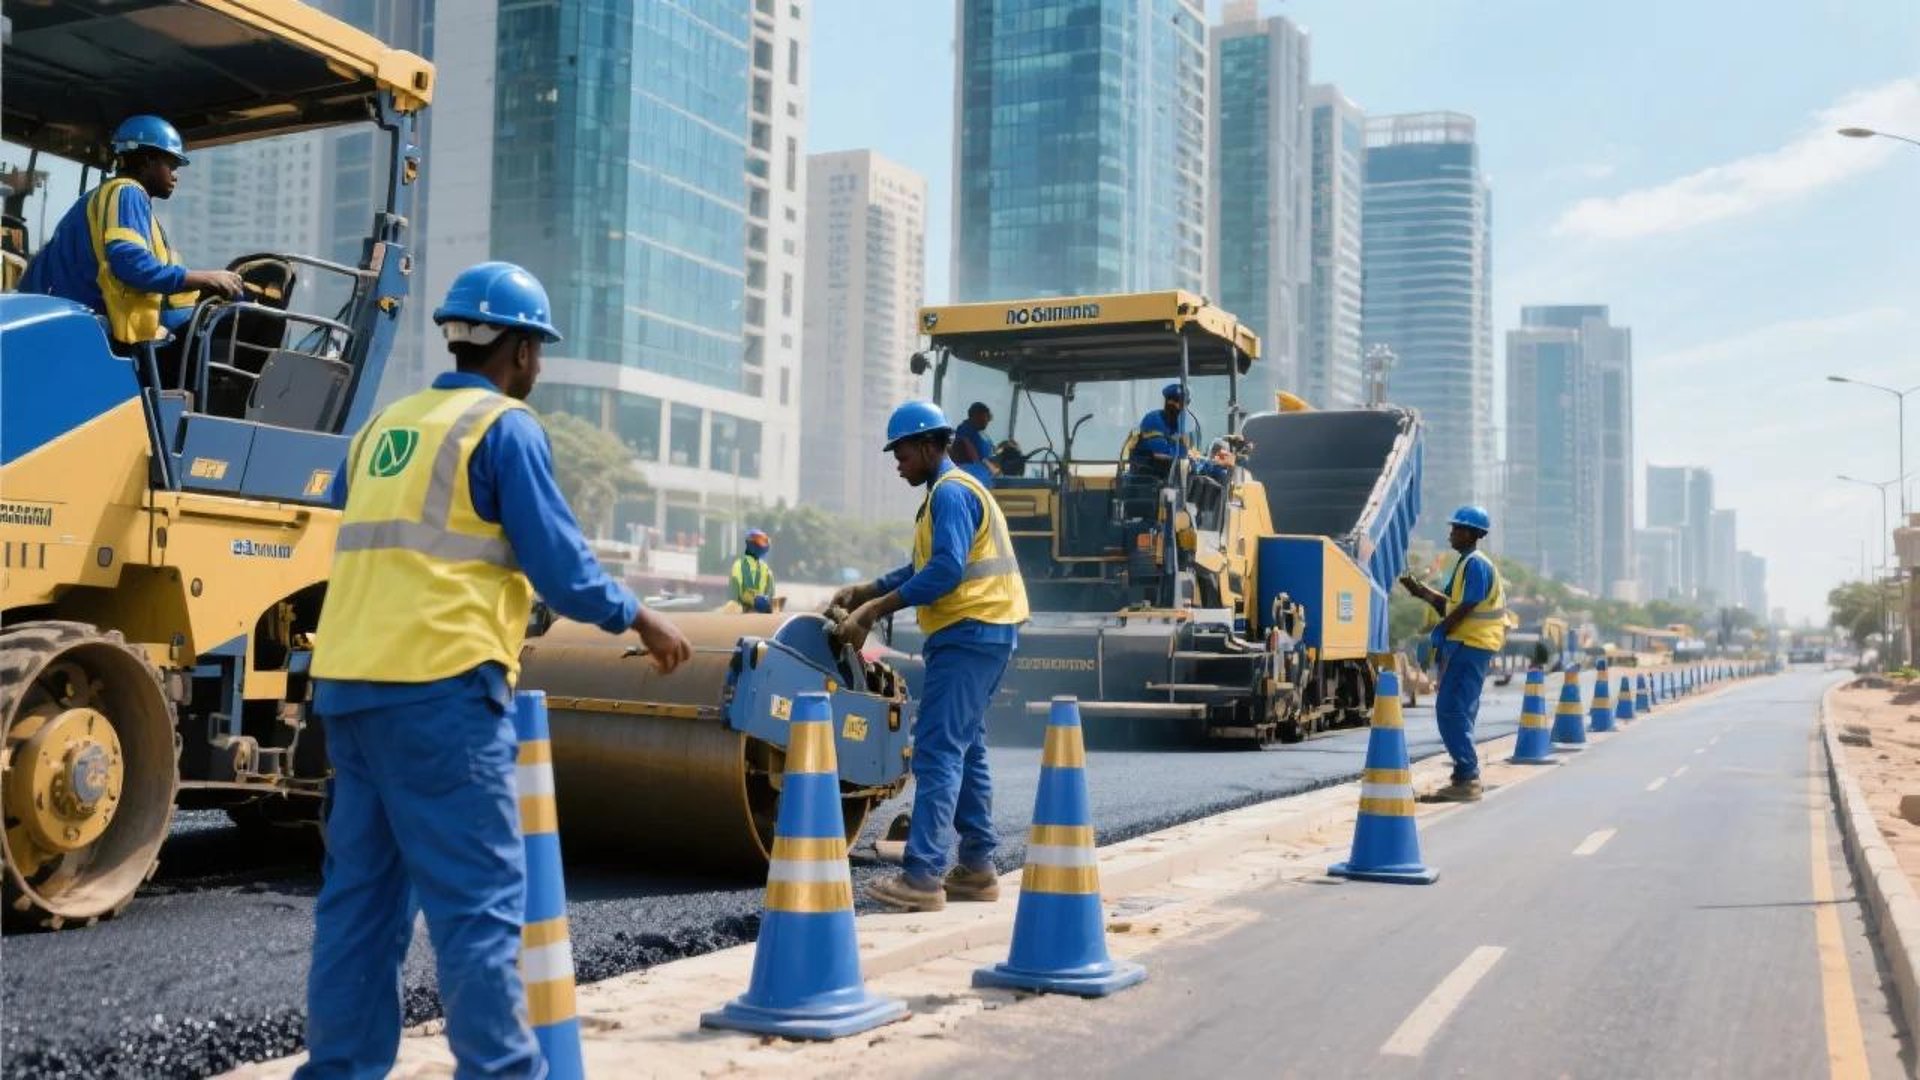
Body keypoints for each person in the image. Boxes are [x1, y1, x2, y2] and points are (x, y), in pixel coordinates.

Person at [298, 261, 694, 1079]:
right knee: (477, 908)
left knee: (358, 911)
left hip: (347, 690)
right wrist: (640, 616)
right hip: (440, 693)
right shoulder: (502, 429)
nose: (538, 367)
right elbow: (560, 565)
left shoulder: (382, 428)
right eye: (537, 350)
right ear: (515, 350)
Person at [832, 401, 1029, 912]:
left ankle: (922, 877)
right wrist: (867, 589)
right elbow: (924, 564)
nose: (897, 463)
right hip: (985, 632)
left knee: (938, 751)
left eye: (900, 452)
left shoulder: (951, 494)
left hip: (969, 633)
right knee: (969, 748)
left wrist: (873, 610)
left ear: (926, 445)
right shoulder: (951, 492)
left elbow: (944, 572)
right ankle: (978, 869)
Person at [18, 115, 244, 351]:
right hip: (90, 332)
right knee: (236, 335)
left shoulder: (108, 198)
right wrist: (205, 278)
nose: (176, 175)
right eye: (171, 165)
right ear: (147, 160)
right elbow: (131, 265)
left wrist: (196, 287)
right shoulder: (128, 192)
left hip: (68, 323)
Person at [1397, 505, 1508, 802]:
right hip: (1468, 645)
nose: (1451, 533)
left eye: (1457, 529)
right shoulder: (1464, 564)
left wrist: (1442, 629)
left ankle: (1467, 777)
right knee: (1460, 710)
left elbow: (1468, 605)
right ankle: (1463, 776)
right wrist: (1419, 590)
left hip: (1471, 644)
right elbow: (1449, 603)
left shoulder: (1476, 564)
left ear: (1472, 533)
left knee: (1450, 709)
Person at [1128, 382, 1200, 473]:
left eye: (1186, 403)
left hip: (1168, 477)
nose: (1184, 407)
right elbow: (1160, 454)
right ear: (1169, 402)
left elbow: (1185, 449)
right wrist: (1184, 454)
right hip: (1146, 479)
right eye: (1180, 402)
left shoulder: (1178, 423)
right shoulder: (1154, 419)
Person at [951, 401, 999, 488]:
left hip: (987, 474)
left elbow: (992, 450)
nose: (987, 421)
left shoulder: (981, 432)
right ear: (976, 416)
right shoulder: (964, 429)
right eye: (985, 417)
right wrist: (987, 467)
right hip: (972, 475)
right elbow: (972, 453)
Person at [730, 528, 776, 613]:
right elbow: (735, 595)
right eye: (759, 541)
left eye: (764, 541)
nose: (762, 545)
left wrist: (767, 603)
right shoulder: (738, 566)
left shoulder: (766, 569)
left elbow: (771, 595)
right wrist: (752, 600)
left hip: (761, 615)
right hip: (742, 613)